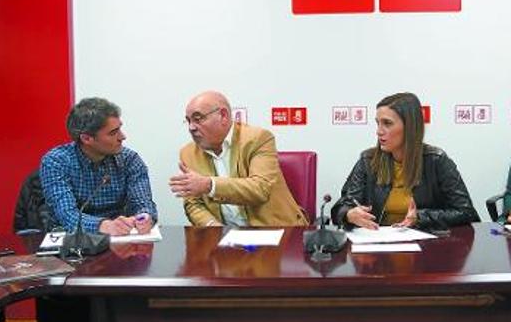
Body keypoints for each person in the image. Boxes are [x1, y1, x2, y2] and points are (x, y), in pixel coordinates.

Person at [331, 92, 479, 230]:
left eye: (387, 123)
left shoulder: (436, 160)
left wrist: (421, 217)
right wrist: (348, 214)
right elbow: (342, 206)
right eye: (378, 123)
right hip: (378, 246)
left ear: (410, 127)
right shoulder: (368, 161)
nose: (379, 131)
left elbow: (466, 212)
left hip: (426, 247)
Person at [169, 90, 308, 227]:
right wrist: (212, 227)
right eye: (188, 121)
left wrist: (210, 185)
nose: (191, 127)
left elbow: (260, 189)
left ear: (223, 115)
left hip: (276, 230)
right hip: (225, 237)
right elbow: (193, 204)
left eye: (198, 119)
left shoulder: (258, 139)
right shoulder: (188, 153)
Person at [40, 97, 157, 235]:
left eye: (120, 129)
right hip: (71, 243)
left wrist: (144, 217)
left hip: (120, 239)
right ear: (86, 138)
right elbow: (67, 216)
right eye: (113, 133)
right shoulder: (56, 162)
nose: (123, 137)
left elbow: (143, 203)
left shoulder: (130, 160)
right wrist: (104, 225)